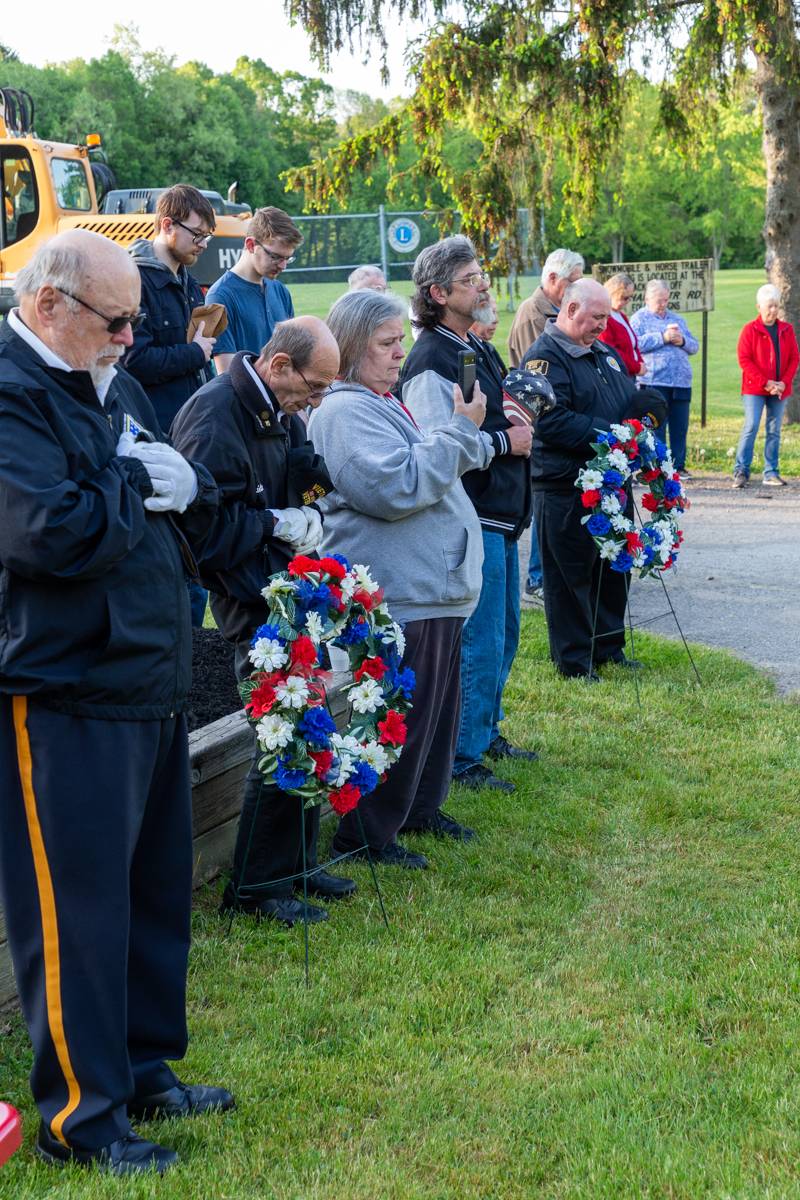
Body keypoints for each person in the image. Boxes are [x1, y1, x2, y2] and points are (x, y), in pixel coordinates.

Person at [0, 231, 231, 1177]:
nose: (136, 337)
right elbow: (51, 534)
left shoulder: (106, 376)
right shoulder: (14, 393)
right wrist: (137, 479)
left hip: (144, 676)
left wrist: (176, 481)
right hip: (65, 689)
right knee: (78, 914)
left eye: (138, 316)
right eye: (119, 318)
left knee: (150, 895)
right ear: (51, 303)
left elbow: (180, 489)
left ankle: (142, 1068)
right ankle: (80, 1118)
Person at [171, 317, 355, 926]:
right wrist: (273, 523)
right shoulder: (215, 415)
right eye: (313, 387)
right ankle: (254, 885)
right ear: (279, 365)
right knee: (279, 735)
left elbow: (300, 463)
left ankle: (295, 861)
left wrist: (315, 498)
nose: (316, 400)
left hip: (287, 584)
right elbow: (202, 534)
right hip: (249, 598)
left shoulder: (274, 403)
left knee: (309, 722)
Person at [309, 288, 490, 861]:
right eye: (386, 344)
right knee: (395, 721)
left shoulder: (380, 400)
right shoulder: (343, 410)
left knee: (432, 713)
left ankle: (417, 809)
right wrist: (461, 432)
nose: (399, 355)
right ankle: (366, 835)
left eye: (399, 342)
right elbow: (394, 487)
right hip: (401, 590)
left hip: (431, 587)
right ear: (351, 347)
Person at [400, 235, 536, 794]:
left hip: (501, 511)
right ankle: (463, 754)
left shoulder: (470, 344)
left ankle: (485, 730)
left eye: (482, 274)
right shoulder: (431, 356)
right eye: (471, 278)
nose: (483, 283)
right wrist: (508, 443)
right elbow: (440, 447)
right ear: (438, 292)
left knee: (503, 635)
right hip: (474, 514)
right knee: (480, 639)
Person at [522, 278, 666, 680]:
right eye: (597, 317)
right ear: (570, 310)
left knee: (611, 569)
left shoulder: (603, 351)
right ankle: (573, 660)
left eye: (606, 317)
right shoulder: (544, 358)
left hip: (610, 483)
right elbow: (551, 421)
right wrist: (613, 434)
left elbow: (627, 398)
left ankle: (608, 646)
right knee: (571, 576)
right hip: (566, 485)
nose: (603, 325)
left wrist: (645, 418)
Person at [124, 183, 218, 627]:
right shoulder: (136, 280)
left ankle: (191, 648)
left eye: (206, 237)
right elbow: (133, 359)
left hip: (189, 432)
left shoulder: (185, 282)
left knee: (194, 550)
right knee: (168, 556)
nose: (202, 245)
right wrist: (196, 355)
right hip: (155, 436)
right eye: (197, 235)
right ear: (167, 225)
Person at [207, 206, 302, 373]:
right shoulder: (219, 297)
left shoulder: (281, 291)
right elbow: (228, 374)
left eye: (288, 258)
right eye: (276, 257)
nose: (283, 266)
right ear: (251, 245)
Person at [732, 283, 799, 488]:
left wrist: (782, 383)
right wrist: (766, 382)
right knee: (751, 426)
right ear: (758, 307)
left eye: (775, 306)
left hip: (779, 389)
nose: (773, 310)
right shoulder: (750, 330)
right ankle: (741, 470)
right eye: (769, 306)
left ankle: (770, 471)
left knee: (774, 430)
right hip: (755, 388)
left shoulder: (786, 330)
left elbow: (794, 358)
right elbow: (744, 360)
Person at [630, 279, 698, 478]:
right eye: (659, 300)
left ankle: (678, 465)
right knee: (656, 425)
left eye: (666, 300)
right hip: (654, 381)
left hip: (681, 382)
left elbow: (694, 346)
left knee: (680, 426)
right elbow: (635, 344)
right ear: (647, 298)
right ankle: (658, 466)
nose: (663, 304)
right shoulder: (639, 319)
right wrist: (663, 337)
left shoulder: (677, 319)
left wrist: (682, 340)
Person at [507, 248, 584, 369]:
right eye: (573, 282)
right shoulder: (532, 312)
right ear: (553, 278)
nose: (578, 288)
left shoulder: (563, 308)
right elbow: (539, 365)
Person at [598, 272, 645, 378]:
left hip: (629, 373)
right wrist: (636, 367)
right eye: (624, 297)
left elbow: (633, 344)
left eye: (630, 297)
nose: (628, 301)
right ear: (612, 293)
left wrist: (640, 363)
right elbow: (611, 351)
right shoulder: (605, 317)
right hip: (618, 375)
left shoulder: (621, 315)